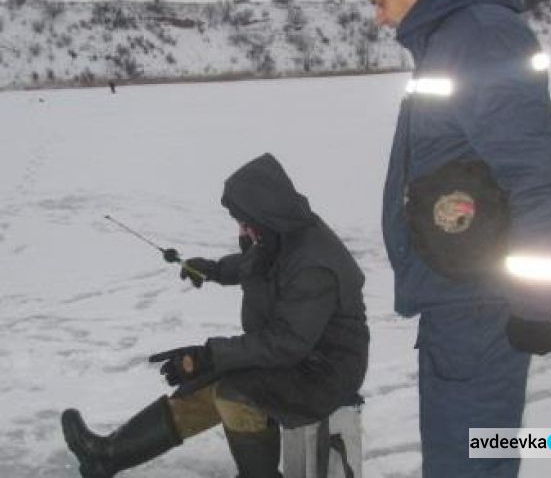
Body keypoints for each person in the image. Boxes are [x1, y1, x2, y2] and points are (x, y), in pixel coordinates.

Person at [360, 0, 551, 477]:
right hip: (457, 297)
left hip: (479, 304)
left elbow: (546, 176)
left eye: (381, 3)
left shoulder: (478, 37)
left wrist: (532, 304)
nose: (379, 20)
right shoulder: (451, 40)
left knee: (469, 457)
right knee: (466, 451)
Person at [61, 153, 369, 478]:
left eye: (244, 221)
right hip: (296, 357)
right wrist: (213, 270)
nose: (242, 228)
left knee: (236, 392)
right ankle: (107, 456)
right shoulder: (282, 232)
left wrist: (210, 354)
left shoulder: (314, 266)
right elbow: (262, 264)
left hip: (326, 371)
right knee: (209, 382)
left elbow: (286, 343)